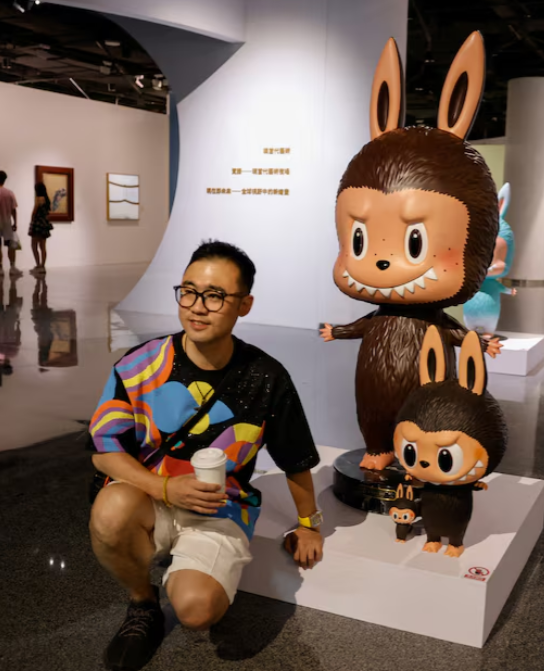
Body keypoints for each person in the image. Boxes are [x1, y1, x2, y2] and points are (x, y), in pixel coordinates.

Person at [88, 240, 323, 671]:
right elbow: (104, 453)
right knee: (109, 512)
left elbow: (295, 459)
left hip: (220, 506)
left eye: (215, 296)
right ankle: (142, 603)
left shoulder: (266, 377)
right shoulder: (139, 365)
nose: (197, 307)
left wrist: (309, 524)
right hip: (148, 494)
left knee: (197, 612)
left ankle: (189, 562)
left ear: (244, 304)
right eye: (189, 292)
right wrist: (163, 487)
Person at [28, 182, 53, 274]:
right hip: (44, 224)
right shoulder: (47, 200)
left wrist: (31, 222)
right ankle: (43, 266)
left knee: (34, 245)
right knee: (43, 246)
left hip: (37, 225)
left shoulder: (38, 199)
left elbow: (34, 212)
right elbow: (47, 213)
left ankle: (38, 265)